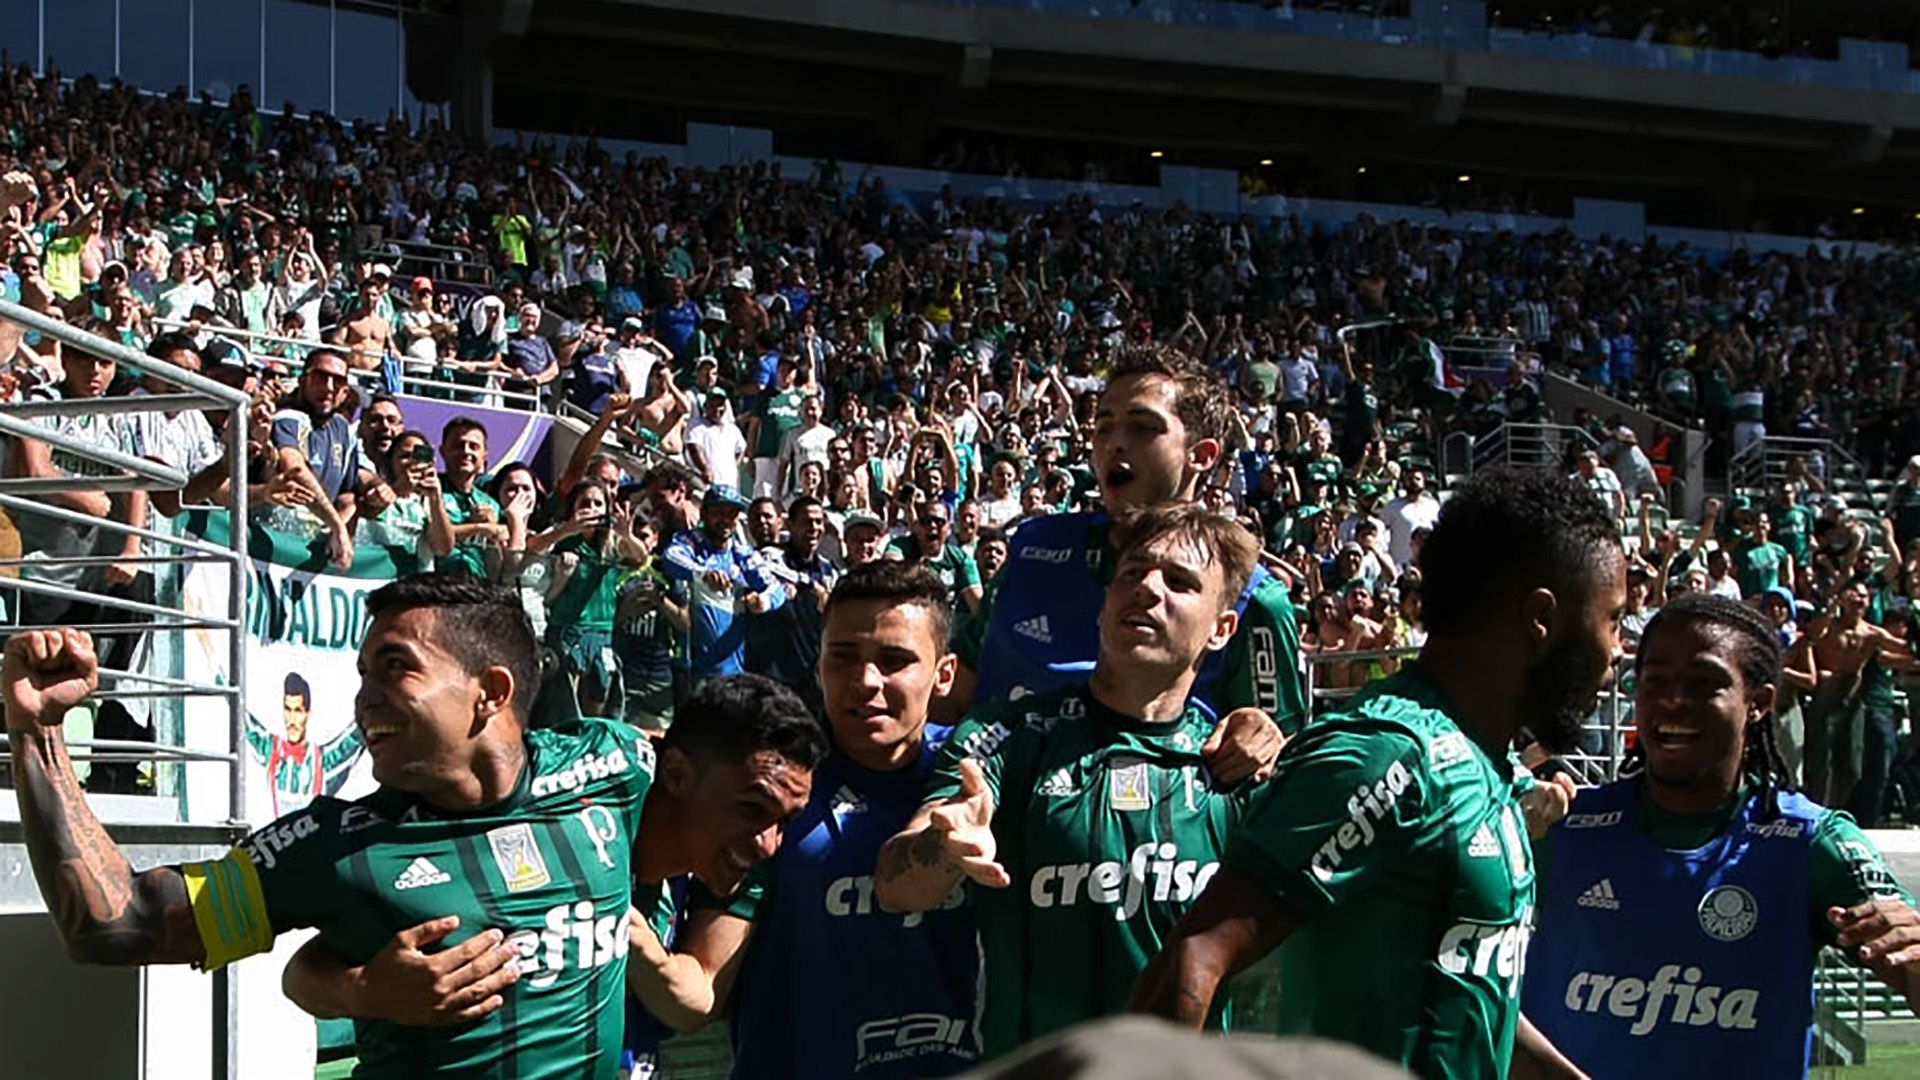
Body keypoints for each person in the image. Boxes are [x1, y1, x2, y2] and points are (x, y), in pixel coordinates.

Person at [4, 574, 824, 1078]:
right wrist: (38, 734)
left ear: (491, 691)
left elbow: (730, 809)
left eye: (395, 667)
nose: (365, 697)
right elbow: (119, 927)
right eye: (363, 671)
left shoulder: (614, 770)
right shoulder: (336, 845)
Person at [1132, 470, 1626, 1080]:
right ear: (1541, 619)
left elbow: (1463, 995)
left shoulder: (1484, 764)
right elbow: (1195, 956)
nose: (1617, 649)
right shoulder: (1388, 754)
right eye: (1613, 619)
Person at [876, 504, 1285, 1060]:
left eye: (1180, 582)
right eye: (1132, 572)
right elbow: (898, 886)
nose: (1146, 588)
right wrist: (941, 848)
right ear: (1104, 604)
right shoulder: (1009, 732)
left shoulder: (1238, 765)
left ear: (1222, 629)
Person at [1523, 593, 1920, 1078]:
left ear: (1758, 704)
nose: (1673, 700)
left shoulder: (1809, 843)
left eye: (1704, 684)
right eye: (1655, 682)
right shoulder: (1561, 826)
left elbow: (1905, 955)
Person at [627, 561, 982, 1079]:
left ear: (944, 673)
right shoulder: (771, 794)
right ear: (818, 664)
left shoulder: (985, 776)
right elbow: (700, 991)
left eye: (894, 660)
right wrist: (619, 923)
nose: (865, 681)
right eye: (843, 656)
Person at [953, 343, 1304, 735]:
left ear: (1201, 455)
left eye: (1142, 427)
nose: (1113, 442)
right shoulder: (1033, 546)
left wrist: (1264, 745)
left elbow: (1273, 755)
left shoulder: (1253, 599)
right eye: (1103, 426)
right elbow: (952, 692)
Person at [661, 485, 787, 680]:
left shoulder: (742, 554)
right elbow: (670, 558)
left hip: (732, 667)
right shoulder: (691, 542)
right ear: (704, 513)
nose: (725, 520)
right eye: (718, 512)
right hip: (690, 668)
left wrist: (763, 601)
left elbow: (777, 588)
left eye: (732, 514)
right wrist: (703, 573)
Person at [243, 671, 366, 818]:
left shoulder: (322, 762)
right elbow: (241, 716)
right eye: (288, 709)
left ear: (308, 713)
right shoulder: (271, 749)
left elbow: (354, 738)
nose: (292, 719)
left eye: (298, 711)